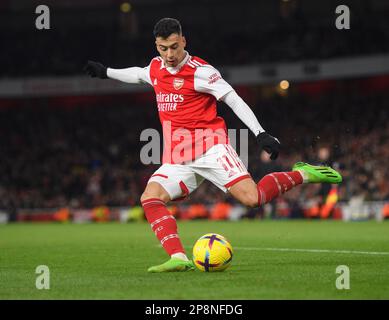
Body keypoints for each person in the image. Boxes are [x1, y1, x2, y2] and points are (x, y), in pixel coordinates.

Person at [84, 18, 342, 272]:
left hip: (211, 148)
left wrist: (260, 133)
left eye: (174, 46)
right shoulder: (156, 67)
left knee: (253, 199)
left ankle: (303, 173)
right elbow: (139, 75)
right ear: (156, 46)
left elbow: (234, 99)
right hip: (178, 156)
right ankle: (178, 257)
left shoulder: (201, 72)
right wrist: (106, 72)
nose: (170, 54)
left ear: (183, 41)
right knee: (150, 198)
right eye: (163, 48)